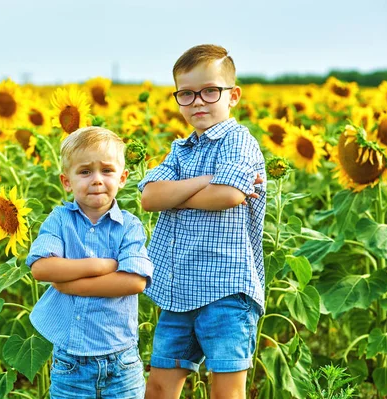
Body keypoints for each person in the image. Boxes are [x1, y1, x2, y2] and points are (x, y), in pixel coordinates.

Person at [139, 44, 267, 399]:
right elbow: (149, 197)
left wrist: (177, 195)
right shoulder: (181, 150)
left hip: (227, 290)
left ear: (233, 95)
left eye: (210, 91)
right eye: (186, 93)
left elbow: (227, 196)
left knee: (226, 391)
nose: (198, 101)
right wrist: (203, 181)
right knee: (159, 388)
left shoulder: (237, 140)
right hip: (177, 292)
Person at [26, 126, 153, 399]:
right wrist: (101, 266)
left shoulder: (129, 226)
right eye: (85, 172)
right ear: (66, 181)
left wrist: (69, 284)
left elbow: (134, 281)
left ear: (122, 178)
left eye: (106, 170)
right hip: (71, 362)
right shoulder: (59, 220)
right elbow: (42, 268)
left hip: (121, 362)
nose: (96, 180)